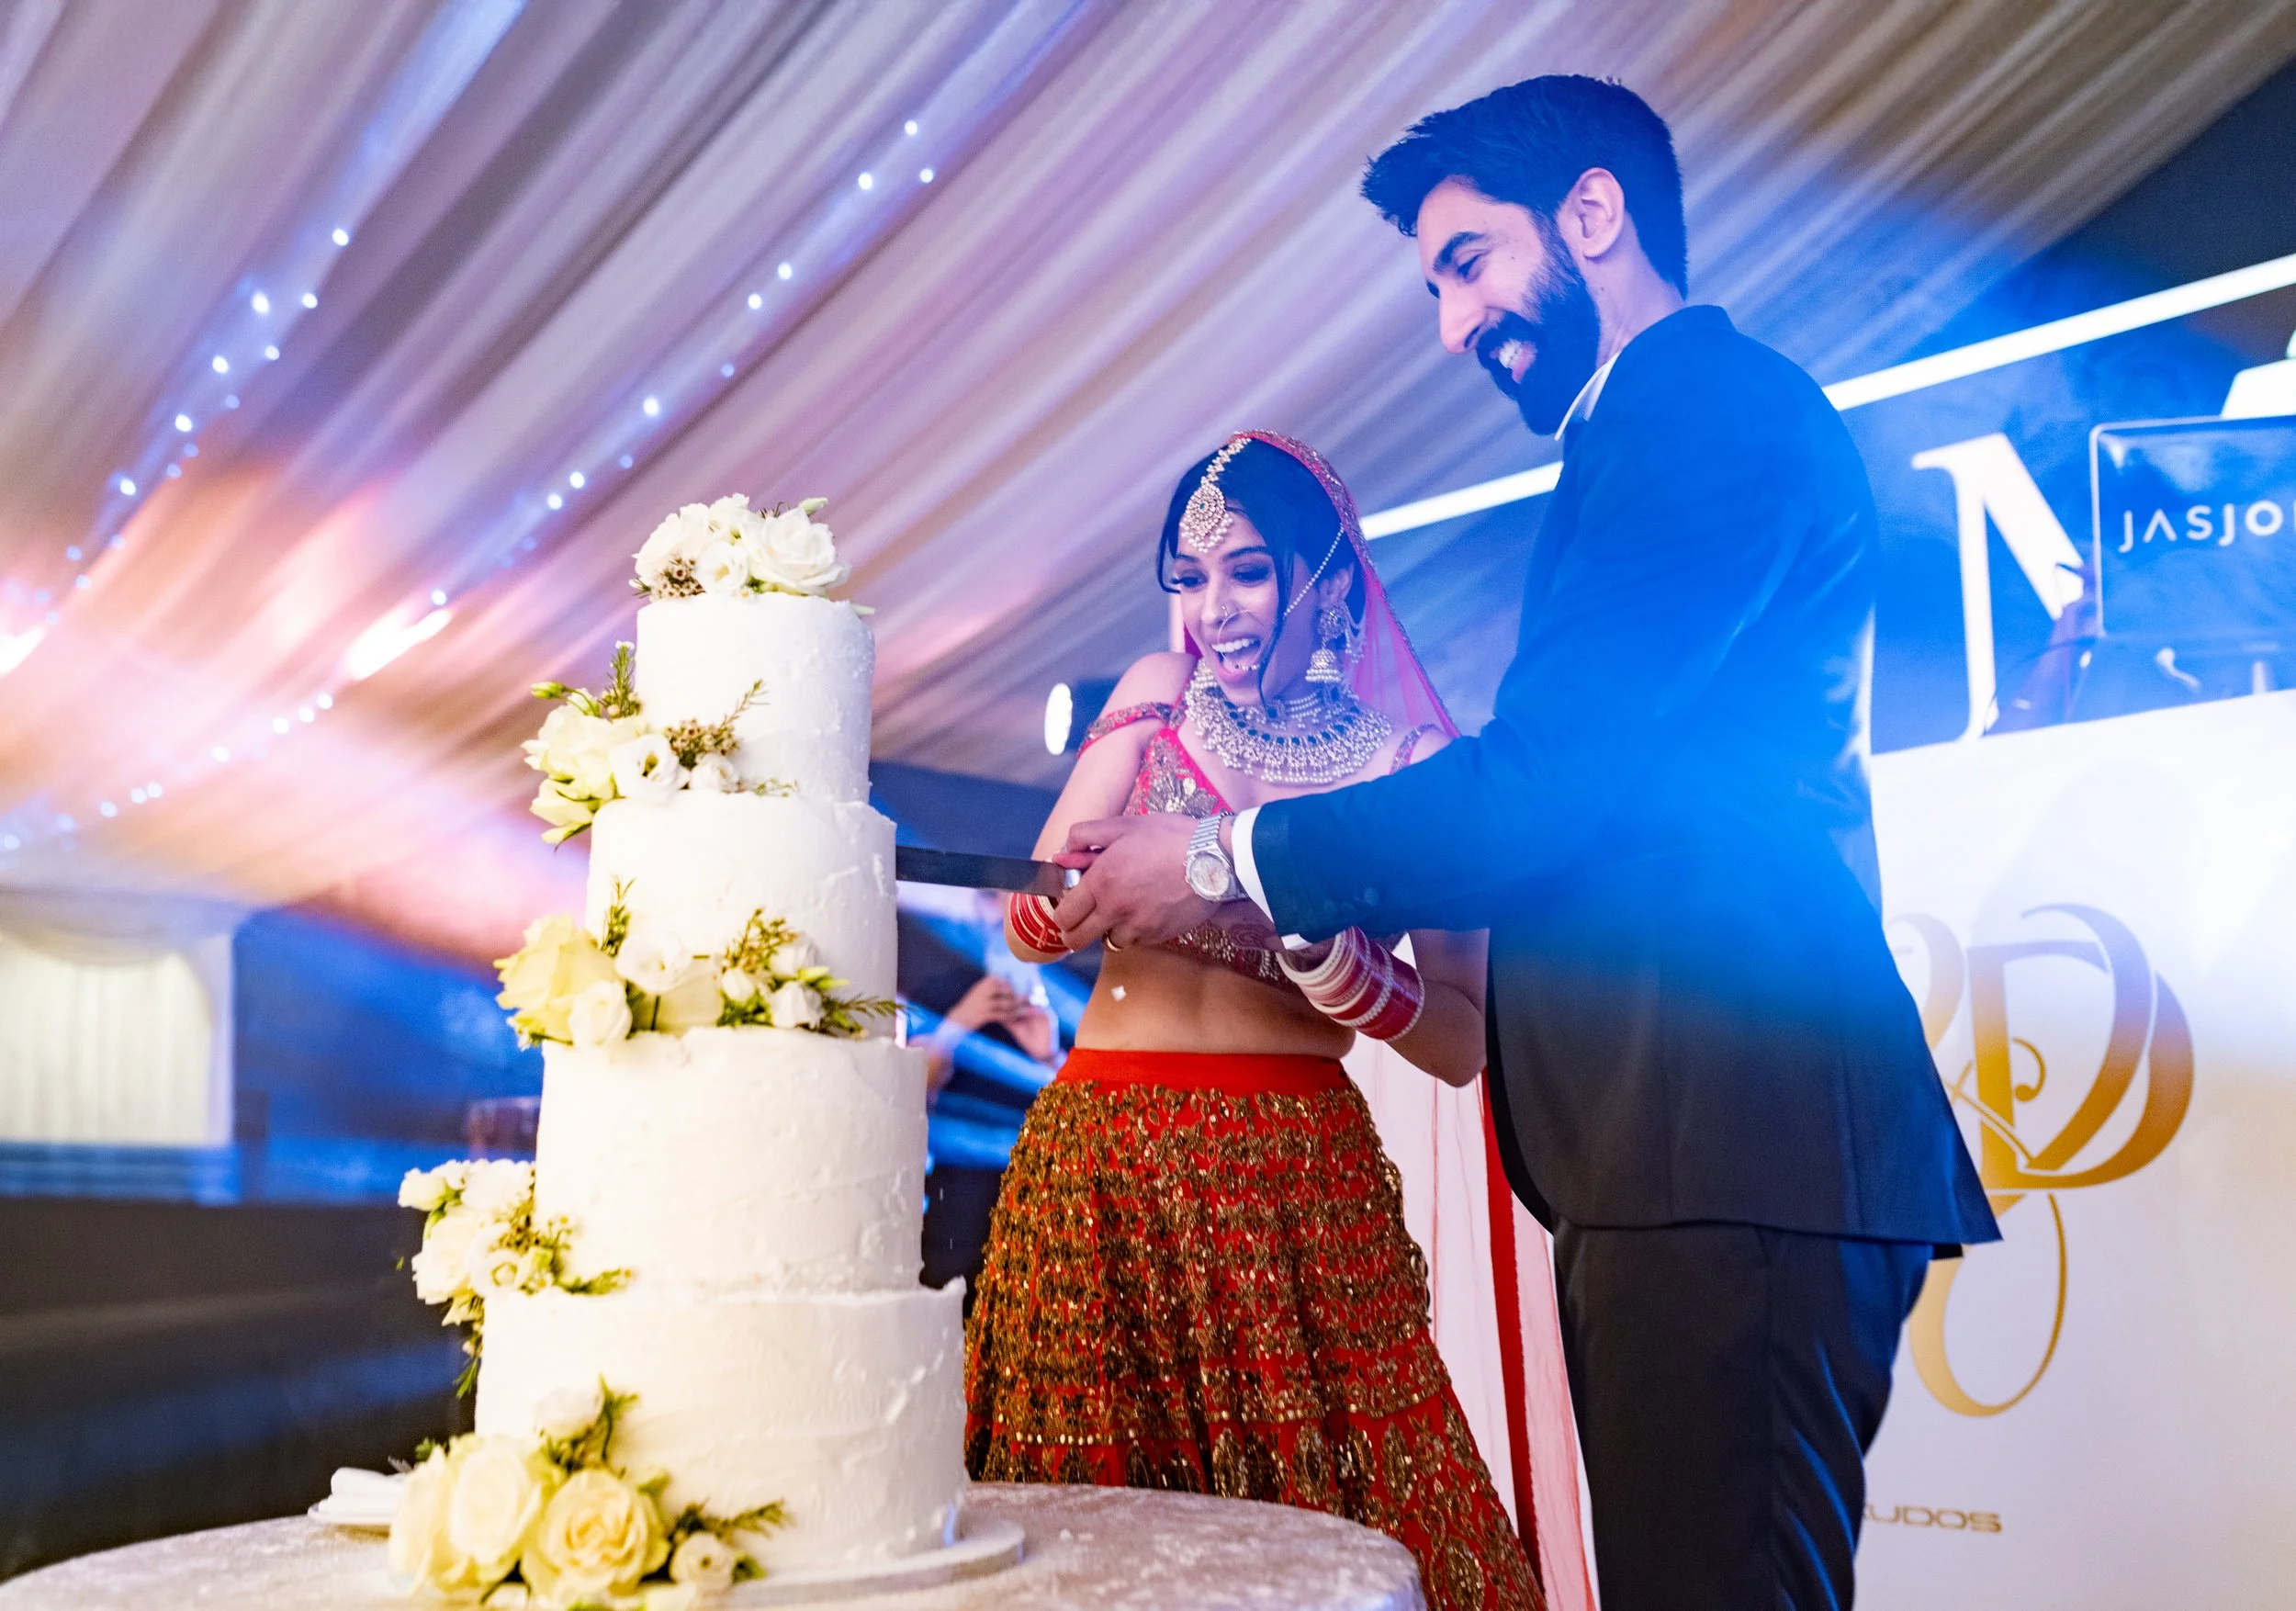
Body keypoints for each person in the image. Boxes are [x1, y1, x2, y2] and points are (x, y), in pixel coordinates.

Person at [1052, 78, 2000, 1610]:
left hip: (1727, 1134)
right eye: (1436, 284)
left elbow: (1550, 784)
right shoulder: (1653, 426)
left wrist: (1227, 857)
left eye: (1469, 261)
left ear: (1595, 213)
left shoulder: (1704, 413)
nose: (1451, 321)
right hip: (1687, 1145)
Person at [964, 432, 1546, 1611]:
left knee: (1332, 1508)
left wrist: (1327, 961)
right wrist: (1065, 897)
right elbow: (1042, 907)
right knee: (1083, 1524)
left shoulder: (1411, 765)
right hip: (1102, 1166)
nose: (1211, 612)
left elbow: (1460, 1038)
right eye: (1188, 579)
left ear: (1327, 579)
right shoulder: (1152, 692)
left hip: (1293, 1177)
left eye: (1246, 573)